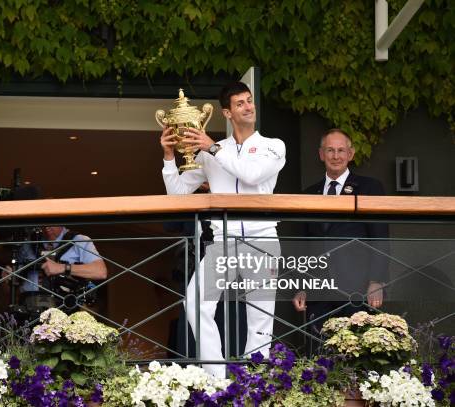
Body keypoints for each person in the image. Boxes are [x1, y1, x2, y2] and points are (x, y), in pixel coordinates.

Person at [160, 81, 286, 377]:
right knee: (194, 304)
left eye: (250, 100)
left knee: (260, 320)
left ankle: (255, 384)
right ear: (227, 113)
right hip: (222, 242)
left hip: (262, 239)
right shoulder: (210, 152)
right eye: (240, 103)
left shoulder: (273, 145)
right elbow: (177, 195)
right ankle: (216, 378)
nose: (248, 106)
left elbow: (252, 175)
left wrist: (212, 147)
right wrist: (168, 158)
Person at [292, 128, 389, 354]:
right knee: (317, 352)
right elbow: (302, 244)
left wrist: (377, 281)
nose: (336, 156)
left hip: (357, 288)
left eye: (341, 150)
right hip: (319, 289)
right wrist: (302, 286)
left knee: (358, 353)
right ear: (321, 154)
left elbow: (380, 235)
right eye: (330, 150)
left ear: (350, 154)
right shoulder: (308, 194)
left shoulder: (369, 188)